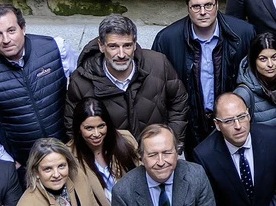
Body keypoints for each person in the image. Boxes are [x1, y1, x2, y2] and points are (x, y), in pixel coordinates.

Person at [62, 13, 190, 154]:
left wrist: (171, 142)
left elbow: (179, 102)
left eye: (127, 46)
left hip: (155, 155)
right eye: (113, 46)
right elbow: (72, 125)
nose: (121, 54)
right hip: (110, 162)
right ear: (101, 46)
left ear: (135, 44)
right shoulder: (81, 82)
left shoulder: (159, 65)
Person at [0, 4, 77, 163]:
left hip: (69, 150)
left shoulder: (56, 48)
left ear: (23, 28)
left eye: (11, 31)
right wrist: (7, 162)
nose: (6, 40)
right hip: (24, 163)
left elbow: (81, 92)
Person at [155, 0, 256, 151]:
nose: (203, 12)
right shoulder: (167, 40)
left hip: (233, 123)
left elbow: (255, 78)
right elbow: (157, 88)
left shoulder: (242, 34)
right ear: (188, 7)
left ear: (217, 5)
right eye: (196, 7)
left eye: (208, 5)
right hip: (191, 126)